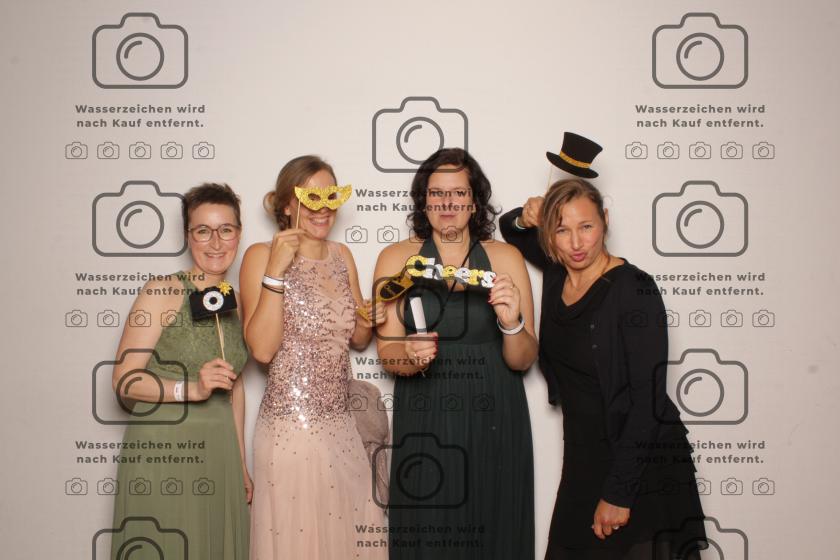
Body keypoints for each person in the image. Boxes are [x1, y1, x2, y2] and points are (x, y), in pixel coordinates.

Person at [500, 178, 707, 560]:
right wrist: (526, 216)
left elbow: (648, 403)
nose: (576, 243)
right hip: (584, 458)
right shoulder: (558, 270)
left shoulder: (636, 290)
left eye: (586, 226)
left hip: (639, 463)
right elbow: (510, 227)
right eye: (561, 230)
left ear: (605, 221)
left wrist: (619, 494)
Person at [374, 148, 538, 559]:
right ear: (424, 201)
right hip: (426, 409)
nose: (448, 202)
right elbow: (387, 353)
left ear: (474, 201)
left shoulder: (506, 257)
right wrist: (409, 356)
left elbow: (523, 359)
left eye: (459, 193)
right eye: (437, 193)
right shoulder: (395, 258)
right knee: (430, 528)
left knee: (494, 524)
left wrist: (511, 322)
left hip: (495, 410)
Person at [240, 155, 387, 559]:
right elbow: (261, 350)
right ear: (288, 204)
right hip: (290, 429)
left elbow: (357, 340)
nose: (323, 209)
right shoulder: (260, 255)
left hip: (342, 426)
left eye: (331, 197)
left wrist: (368, 318)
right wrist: (275, 271)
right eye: (311, 198)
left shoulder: (342, 255)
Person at [109, 183, 250, 559]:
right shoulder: (162, 291)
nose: (215, 242)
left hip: (219, 450)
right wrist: (192, 389)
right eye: (203, 230)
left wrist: (240, 464)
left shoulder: (237, 303)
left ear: (239, 233)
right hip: (165, 449)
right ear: (188, 236)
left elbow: (235, 388)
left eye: (225, 230)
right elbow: (124, 379)